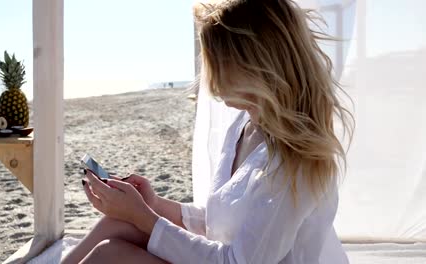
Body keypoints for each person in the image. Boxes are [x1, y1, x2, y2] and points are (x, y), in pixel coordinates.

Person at [61, 0, 354, 263]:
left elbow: (236, 260)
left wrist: (145, 218)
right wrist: (152, 204)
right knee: (118, 225)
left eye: (214, 61)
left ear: (252, 66)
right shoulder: (245, 126)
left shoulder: (295, 161)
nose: (208, 74)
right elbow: (222, 223)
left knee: (110, 254)